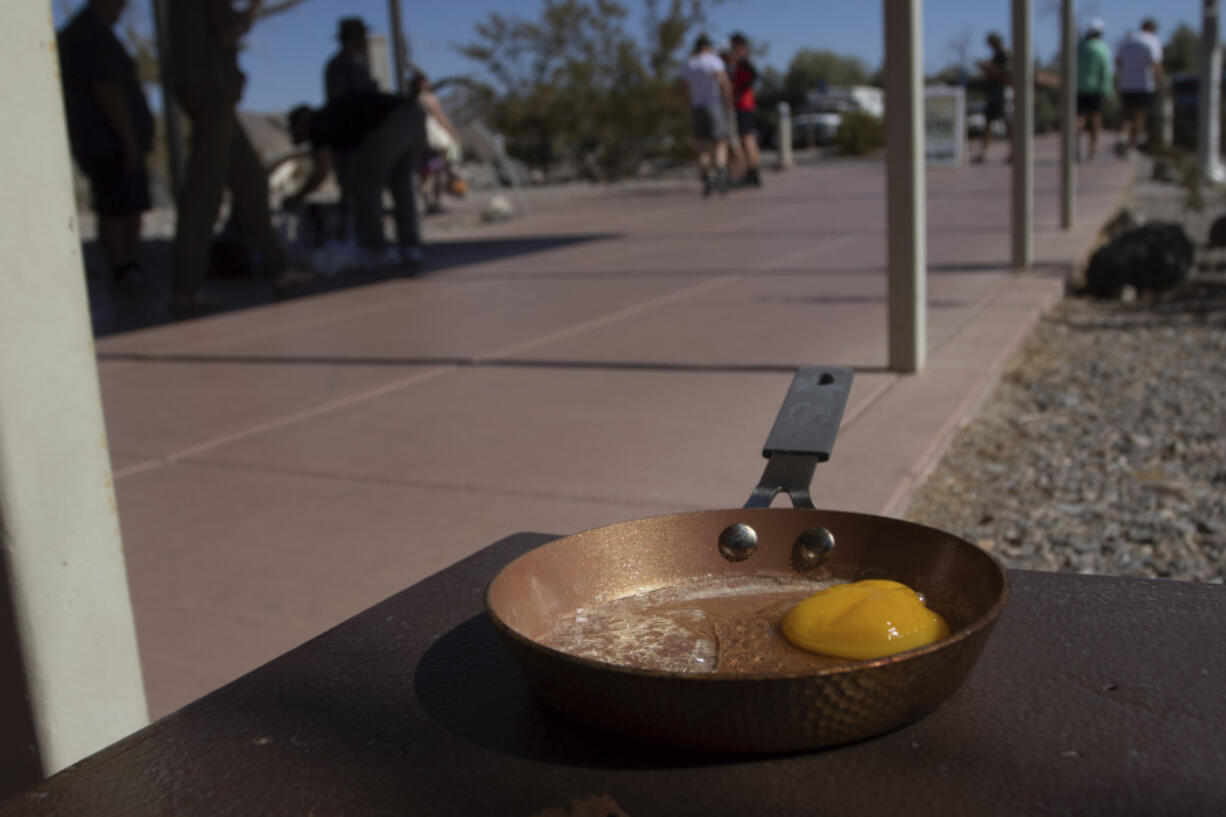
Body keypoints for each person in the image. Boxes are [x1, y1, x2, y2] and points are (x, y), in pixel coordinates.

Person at [166, 0, 310, 317]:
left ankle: (279, 269)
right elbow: (225, 30)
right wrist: (249, 13)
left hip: (206, 89)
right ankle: (185, 288)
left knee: (250, 181)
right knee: (205, 190)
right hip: (211, 89)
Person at [57, 0, 154, 288]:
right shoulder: (90, 33)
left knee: (125, 203)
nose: (123, 8)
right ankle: (123, 268)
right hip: (109, 142)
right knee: (116, 206)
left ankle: (128, 265)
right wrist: (129, 142)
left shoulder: (95, 32)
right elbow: (106, 89)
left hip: (110, 141)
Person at [286, 92, 428, 269]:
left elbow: (321, 171)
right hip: (415, 115)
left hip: (391, 120)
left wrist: (297, 197)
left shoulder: (318, 123)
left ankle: (374, 247)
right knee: (402, 182)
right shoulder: (334, 114)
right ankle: (410, 247)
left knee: (367, 185)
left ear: (300, 122)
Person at [678, 35, 733, 197]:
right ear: (708, 47)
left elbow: (681, 87)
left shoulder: (690, 64)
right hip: (714, 105)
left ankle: (707, 176)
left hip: (697, 107)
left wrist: (687, 104)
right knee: (720, 142)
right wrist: (728, 102)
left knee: (702, 146)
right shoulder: (714, 61)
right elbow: (723, 82)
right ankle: (721, 172)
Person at [1116, 18, 1164, 155]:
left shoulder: (1128, 40)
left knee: (1127, 116)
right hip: (1144, 85)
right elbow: (1156, 64)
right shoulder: (1152, 41)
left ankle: (1123, 136)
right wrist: (1159, 83)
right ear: (1152, 29)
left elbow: (1118, 62)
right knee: (1139, 115)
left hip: (1126, 84)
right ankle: (1132, 146)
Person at [1076, 18, 1114, 161]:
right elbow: (1105, 71)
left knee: (1079, 117)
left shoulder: (1079, 47)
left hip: (1078, 87)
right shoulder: (1101, 48)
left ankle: (1076, 144)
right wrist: (1108, 90)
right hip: (1095, 89)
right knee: (1095, 117)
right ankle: (1092, 148)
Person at [728, 32, 762, 187]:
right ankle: (752, 172)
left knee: (747, 138)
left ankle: (753, 172)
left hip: (744, 104)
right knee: (747, 138)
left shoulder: (743, 60)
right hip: (744, 104)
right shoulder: (741, 60)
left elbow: (754, 75)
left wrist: (740, 91)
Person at [973, 32, 1011, 164]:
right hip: (993, 93)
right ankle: (982, 153)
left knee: (1007, 123)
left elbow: (1004, 76)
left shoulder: (1003, 56)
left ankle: (1013, 152)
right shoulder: (996, 56)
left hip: (1001, 93)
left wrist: (989, 68)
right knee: (989, 122)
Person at [324, 17, 377, 102]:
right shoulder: (338, 66)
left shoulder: (356, 64)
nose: (365, 40)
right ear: (352, 39)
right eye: (362, 36)